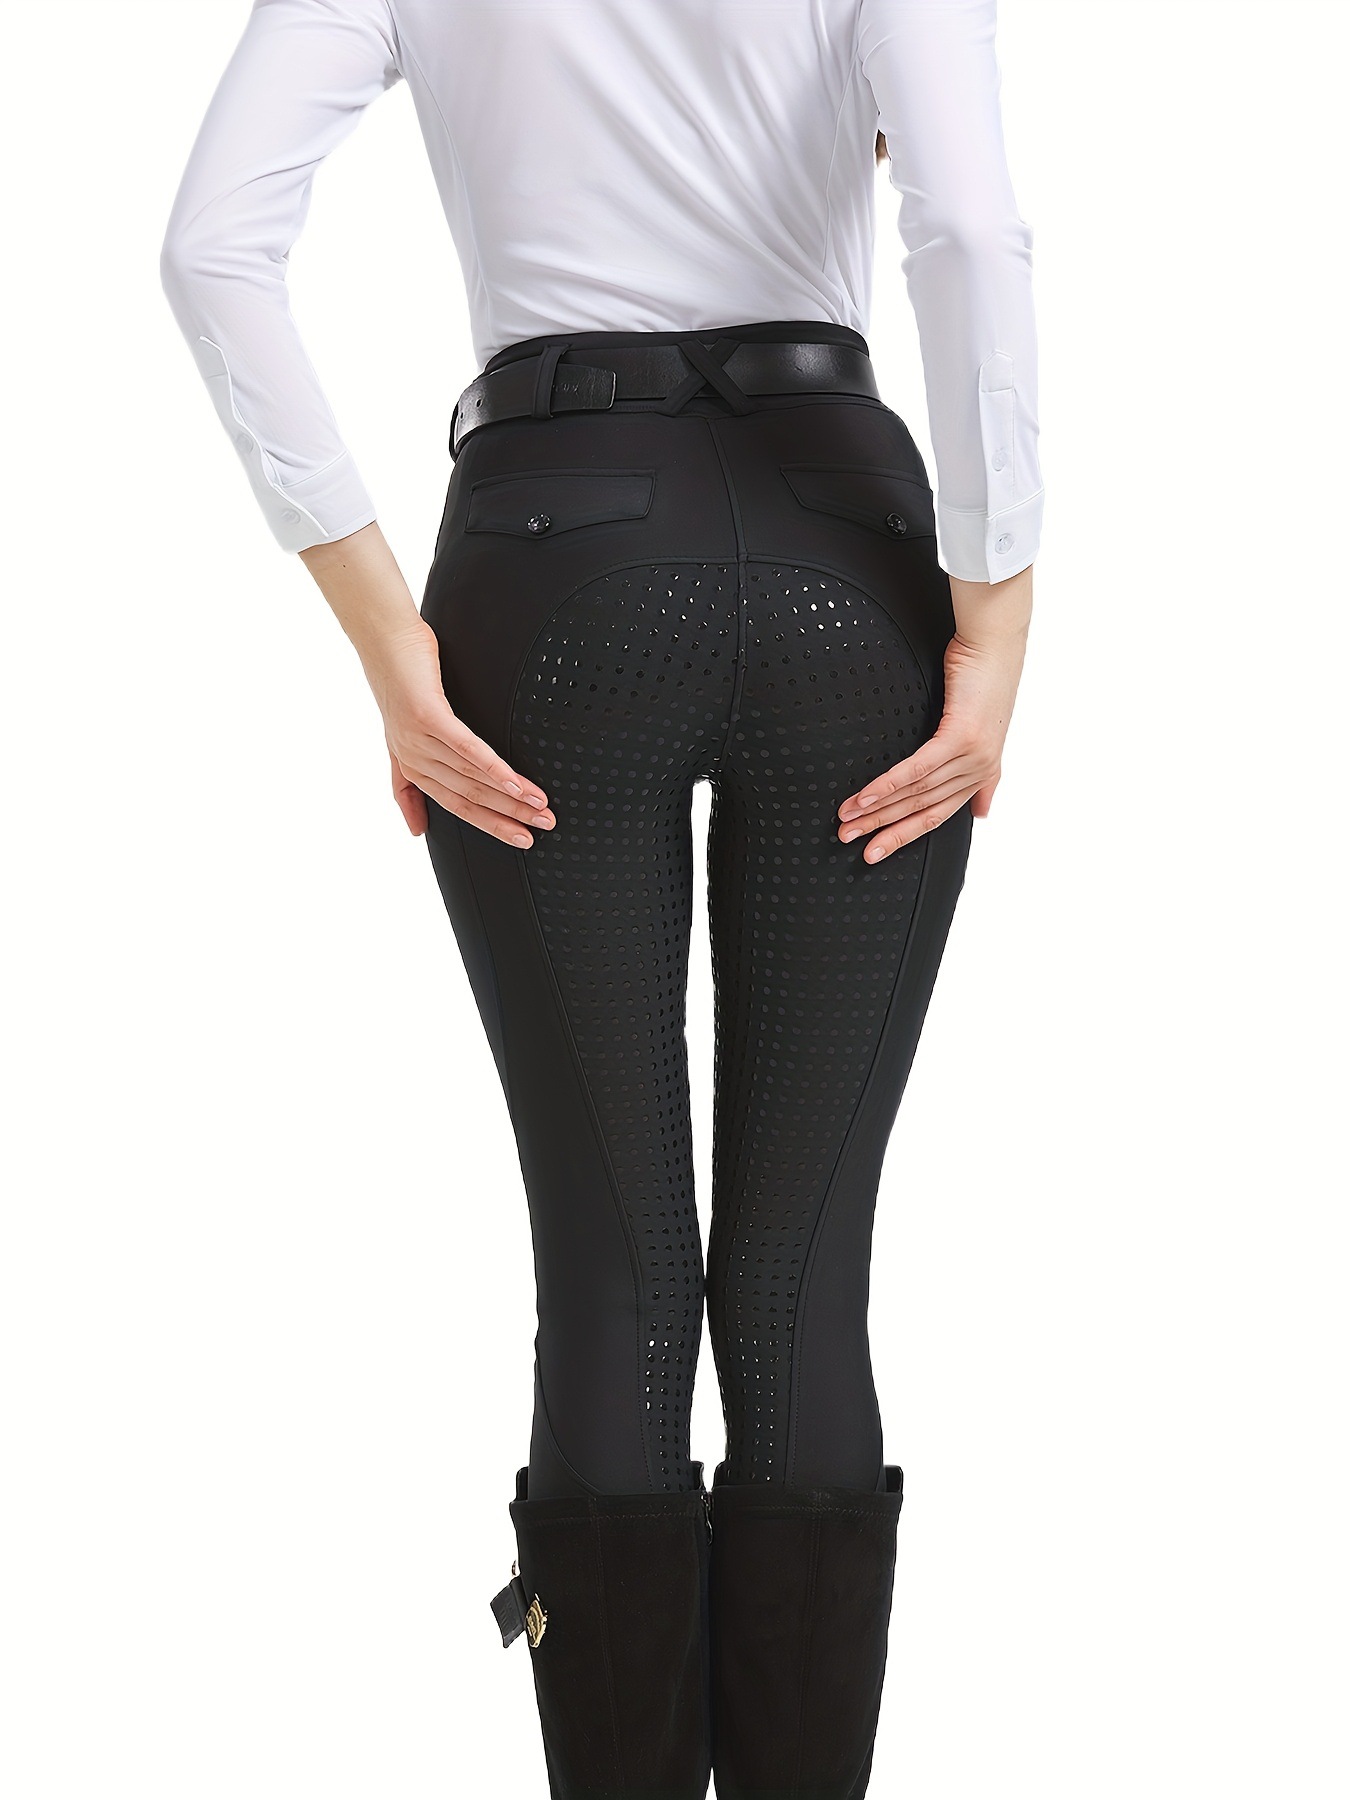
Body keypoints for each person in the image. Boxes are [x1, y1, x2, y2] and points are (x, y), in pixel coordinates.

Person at [160, 2, 1043, 1794]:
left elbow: (210, 248)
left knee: (612, 1276)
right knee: (799, 1282)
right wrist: (999, 604)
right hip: (844, 564)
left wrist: (384, 637)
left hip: (551, 568)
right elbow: (964, 225)